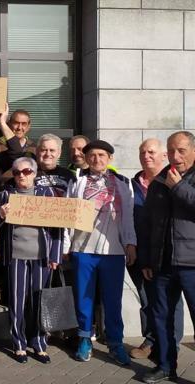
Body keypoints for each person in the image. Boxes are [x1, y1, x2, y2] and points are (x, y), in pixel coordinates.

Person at [64, 140, 136, 366]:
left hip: (113, 251)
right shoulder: (77, 181)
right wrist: (66, 245)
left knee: (112, 300)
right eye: (92, 155)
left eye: (102, 155)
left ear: (110, 158)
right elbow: (67, 213)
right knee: (84, 299)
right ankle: (85, 340)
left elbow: (128, 217)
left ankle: (115, 343)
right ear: (86, 158)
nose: (97, 159)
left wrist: (130, 243)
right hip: (83, 249)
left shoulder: (123, 183)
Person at [140, 132, 195, 384]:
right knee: (161, 317)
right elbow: (150, 224)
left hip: (192, 264)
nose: (175, 156)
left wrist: (179, 187)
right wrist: (148, 260)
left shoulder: (179, 181)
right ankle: (165, 365)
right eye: (171, 151)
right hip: (163, 264)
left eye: (181, 150)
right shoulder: (159, 181)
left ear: (193, 150)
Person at [0, 157, 62, 364]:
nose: (21, 176)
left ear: (34, 173)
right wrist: (0, 215)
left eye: (26, 171)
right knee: (17, 302)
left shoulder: (46, 193)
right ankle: (19, 344)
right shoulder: (7, 194)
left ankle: (40, 343)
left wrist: (55, 255)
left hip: (41, 257)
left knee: (39, 302)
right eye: (17, 172)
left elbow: (57, 227)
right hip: (16, 256)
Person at [129, 138, 184, 361]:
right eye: (142, 152)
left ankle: (172, 344)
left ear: (164, 156)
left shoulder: (174, 181)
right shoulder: (130, 184)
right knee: (146, 300)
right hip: (139, 253)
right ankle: (151, 340)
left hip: (169, 253)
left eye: (151, 152)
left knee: (172, 302)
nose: (146, 156)